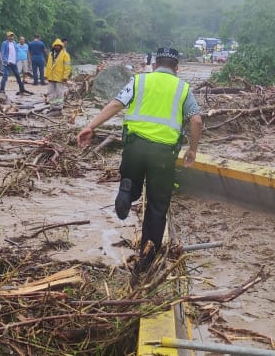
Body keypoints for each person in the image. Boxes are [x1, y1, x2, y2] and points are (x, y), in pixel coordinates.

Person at [76, 47, 202, 273]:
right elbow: (196, 121)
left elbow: (115, 104)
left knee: (132, 181)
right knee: (156, 206)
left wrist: (90, 126)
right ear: (176, 69)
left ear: (154, 65)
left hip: (134, 148)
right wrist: (192, 150)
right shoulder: (183, 88)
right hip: (163, 155)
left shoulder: (138, 81)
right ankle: (147, 259)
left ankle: (128, 189)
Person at [0, 31, 31, 96]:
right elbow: (3, 53)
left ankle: (22, 89)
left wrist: (16, 60)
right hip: (7, 63)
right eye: (10, 36)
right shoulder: (4, 43)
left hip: (14, 63)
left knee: (18, 77)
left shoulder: (14, 43)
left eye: (12, 36)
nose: (11, 37)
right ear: (7, 37)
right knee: (5, 77)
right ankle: (2, 90)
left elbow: (15, 52)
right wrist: (5, 61)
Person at [44, 38, 71, 105]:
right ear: (54, 46)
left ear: (61, 46)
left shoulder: (65, 55)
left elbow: (67, 67)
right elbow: (48, 65)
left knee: (60, 93)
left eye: (59, 46)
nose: (57, 47)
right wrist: (46, 75)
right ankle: (53, 106)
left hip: (60, 77)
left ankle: (59, 106)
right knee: (51, 92)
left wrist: (65, 76)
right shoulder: (50, 54)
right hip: (51, 77)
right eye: (56, 46)